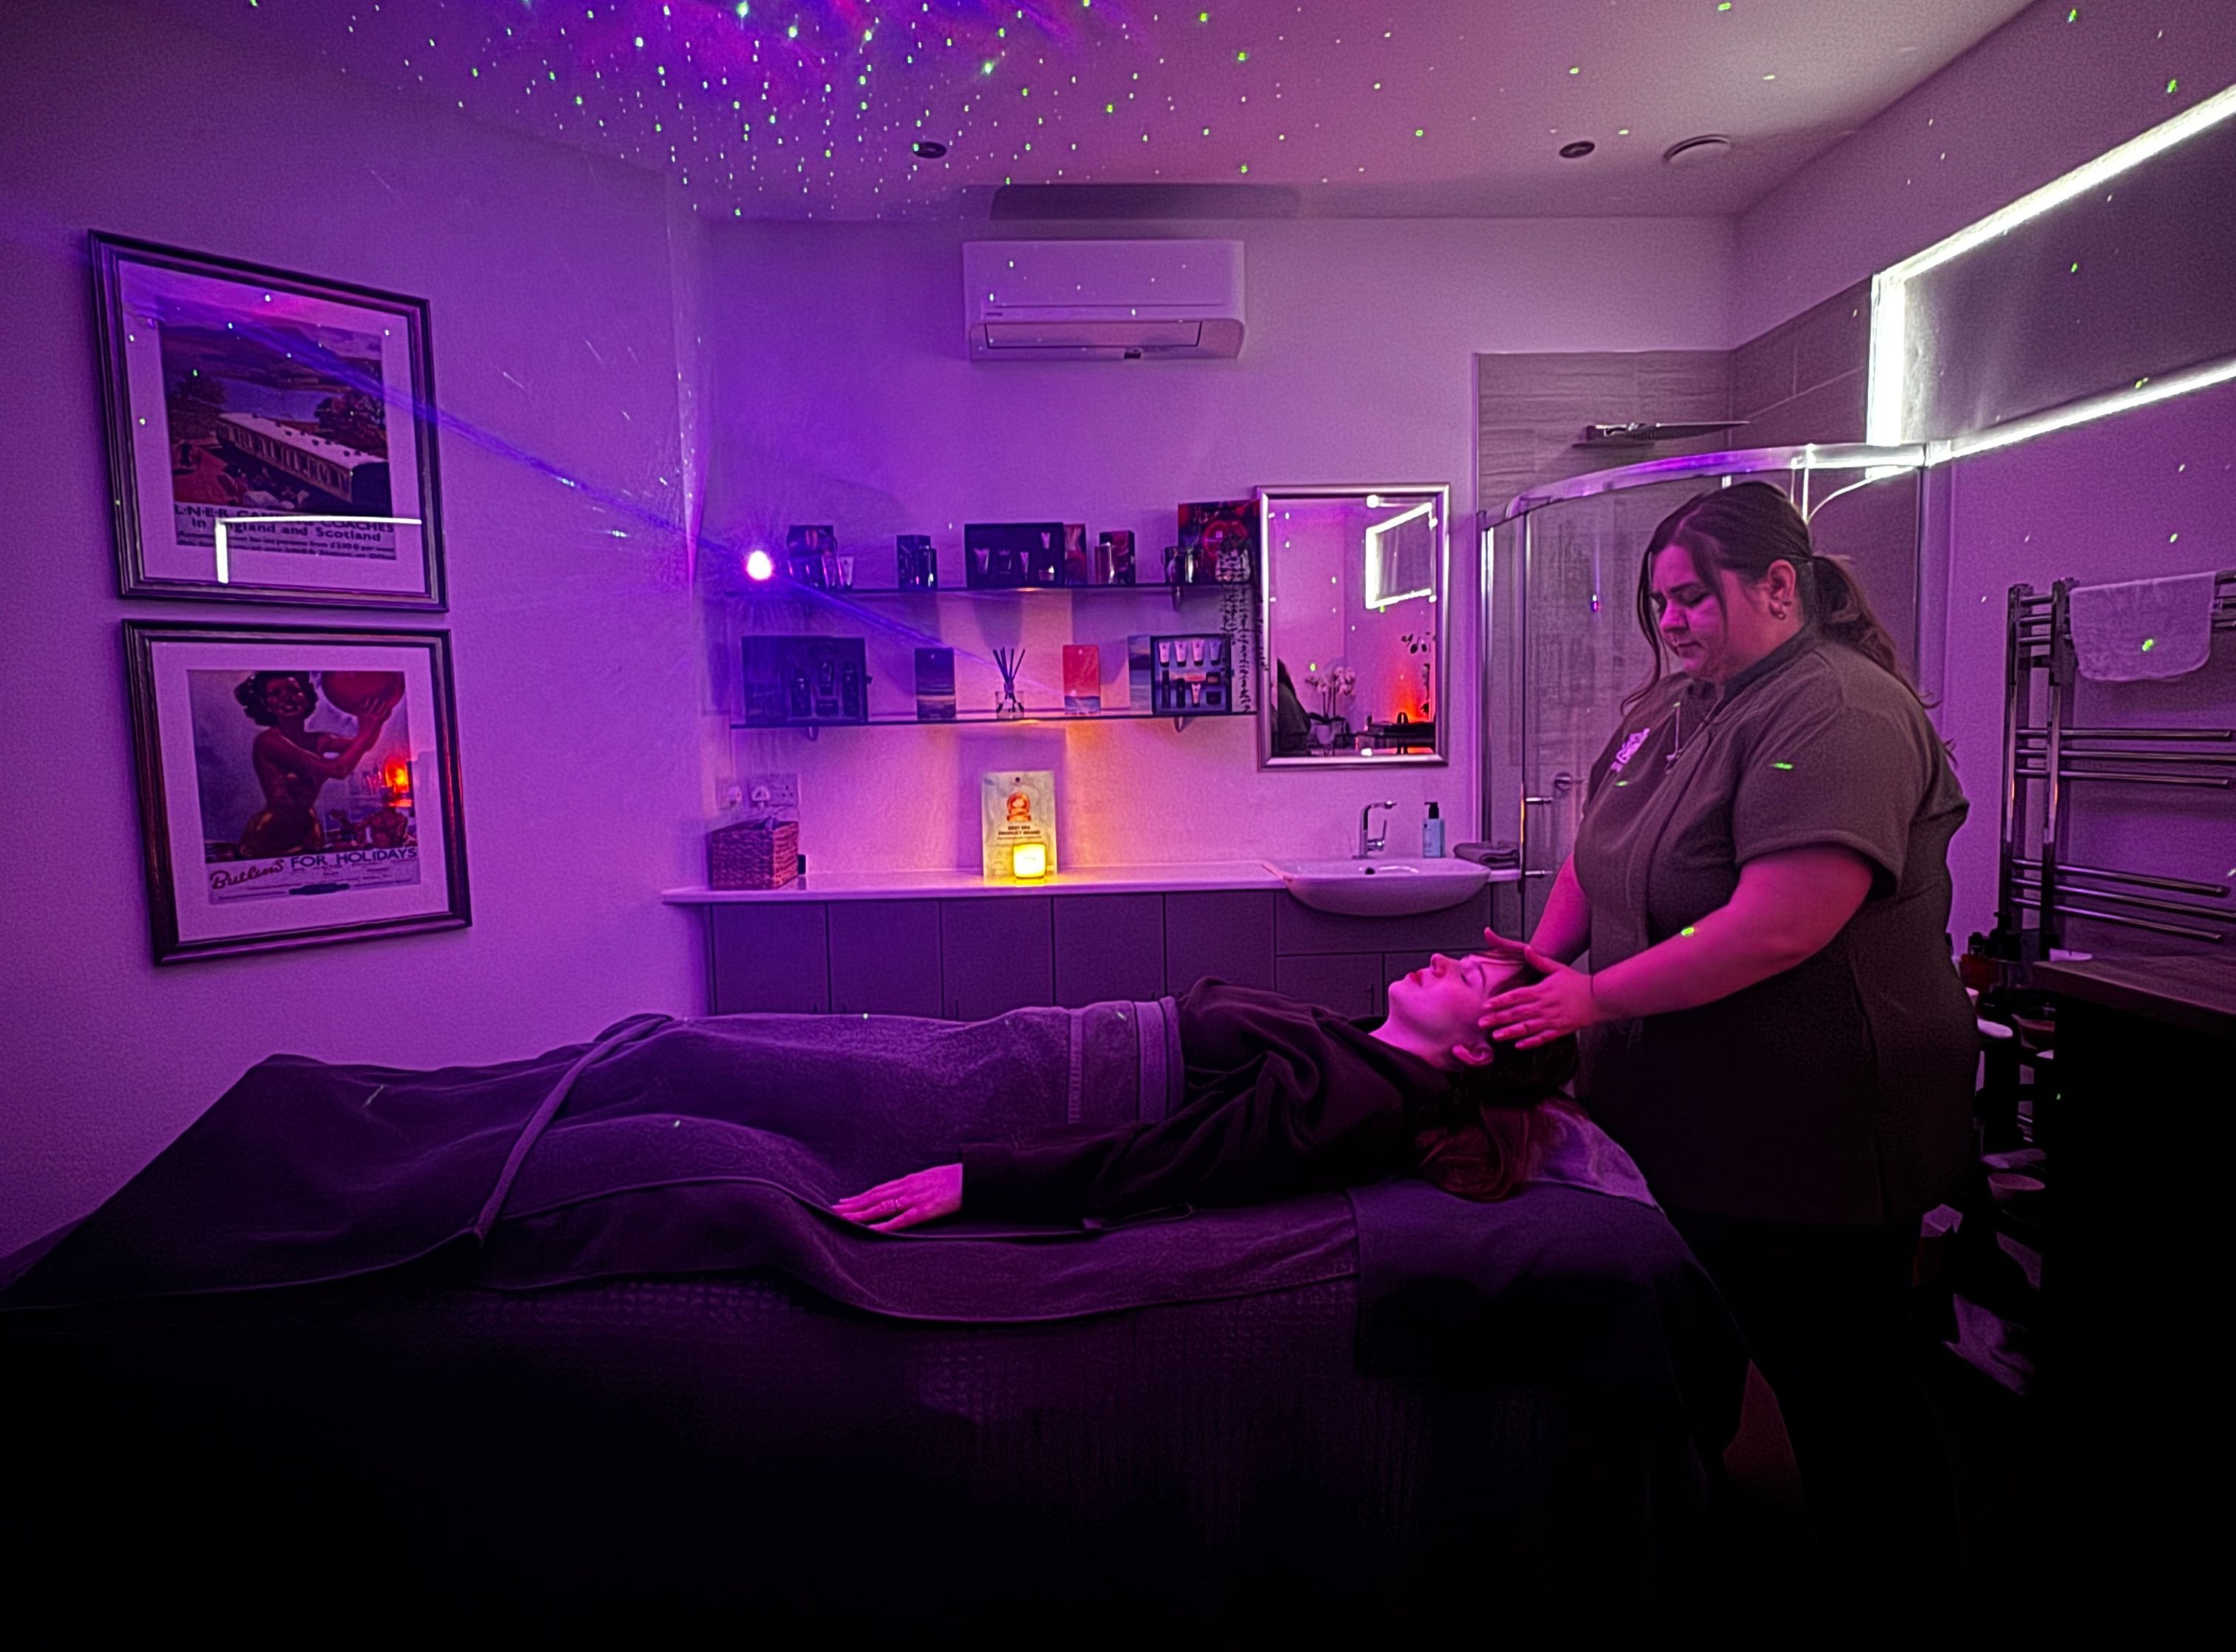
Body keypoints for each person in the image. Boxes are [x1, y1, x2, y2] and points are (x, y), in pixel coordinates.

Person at [1475, 481, 1972, 1637]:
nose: (1672, 623)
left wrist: (1588, 998)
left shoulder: (1835, 710)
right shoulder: (1675, 710)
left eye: (1692, 596)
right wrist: (1538, 962)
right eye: (1659, 603)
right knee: (1692, 1362)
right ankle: (1708, 1575)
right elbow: (1599, 852)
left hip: (1815, 1130)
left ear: (1780, 585)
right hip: (1683, 1123)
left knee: (1842, 1392)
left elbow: (1783, 920)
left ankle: (1911, 1615)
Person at [834, 956, 1593, 1231]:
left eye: (1468, 977)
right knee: (825, 1056)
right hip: (1052, 1048)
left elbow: (1176, 1159)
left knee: (814, 1075)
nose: (1441, 957)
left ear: (1471, 1051)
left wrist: (985, 1177)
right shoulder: (1365, 1053)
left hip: (1049, 1078)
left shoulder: (1359, 1097)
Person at [232, 670, 400, 857]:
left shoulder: (320, 740)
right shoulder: (270, 741)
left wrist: (374, 719)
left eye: (294, 690)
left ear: (307, 695)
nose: (287, 698)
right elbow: (339, 769)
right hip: (272, 836)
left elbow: (364, 745)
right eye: (275, 694)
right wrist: (368, 727)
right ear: (266, 705)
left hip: (309, 832)